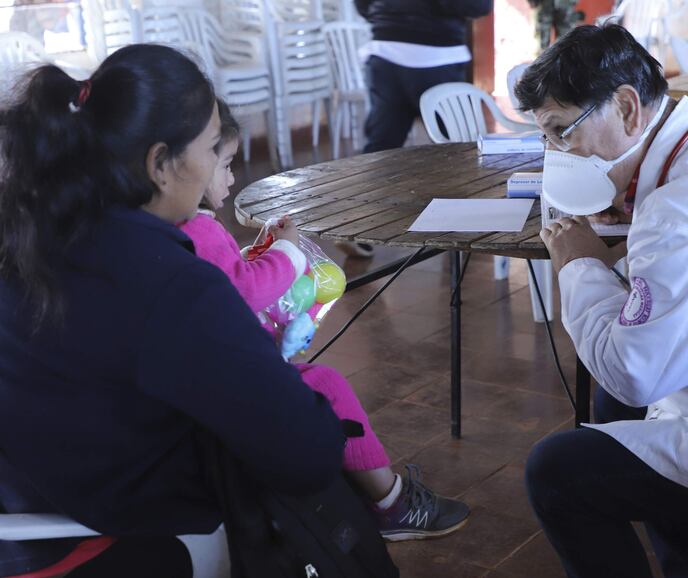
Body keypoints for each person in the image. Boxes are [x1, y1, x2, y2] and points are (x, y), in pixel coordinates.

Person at [0, 44, 348, 577]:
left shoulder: (27, 233)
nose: (217, 165)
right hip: (114, 539)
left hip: (24, 505)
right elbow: (308, 453)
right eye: (213, 149)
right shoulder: (167, 281)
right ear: (159, 164)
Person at [514, 24, 688, 578]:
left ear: (627, 109)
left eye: (562, 132)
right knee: (613, 410)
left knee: (556, 473)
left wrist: (578, 262)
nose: (557, 153)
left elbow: (634, 374)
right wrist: (631, 211)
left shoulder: (677, 220)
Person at [179, 99, 470, 543]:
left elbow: (219, 283)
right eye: (227, 164)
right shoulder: (196, 228)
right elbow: (241, 291)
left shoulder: (179, 225)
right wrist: (288, 251)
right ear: (186, 164)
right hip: (217, 382)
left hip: (204, 370)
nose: (233, 176)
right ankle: (392, 505)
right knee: (327, 386)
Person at [354, 0, 493, 154]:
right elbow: (478, 6)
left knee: (381, 146)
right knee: (458, 147)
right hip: (438, 57)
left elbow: (362, 5)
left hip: (385, 51)